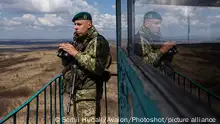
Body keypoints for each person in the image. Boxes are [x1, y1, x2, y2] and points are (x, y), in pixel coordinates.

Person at [58, 12, 110, 123]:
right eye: (75, 24)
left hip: (89, 93)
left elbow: (97, 67)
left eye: (79, 24)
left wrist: (74, 53)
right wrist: (65, 55)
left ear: (89, 24)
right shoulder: (80, 40)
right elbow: (73, 64)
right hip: (78, 91)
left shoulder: (98, 41)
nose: (75, 27)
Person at [133, 11, 177, 78]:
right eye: (156, 23)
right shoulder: (139, 40)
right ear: (146, 23)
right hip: (148, 78)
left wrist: (168, 51)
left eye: (160, 23)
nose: (159, 26)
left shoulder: (154, 36)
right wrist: (163, 50)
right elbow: (143, 64)